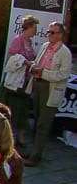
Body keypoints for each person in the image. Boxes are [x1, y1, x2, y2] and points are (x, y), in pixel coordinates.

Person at [24, 22, 71, 166]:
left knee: (43, 124)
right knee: (37, 120)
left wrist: (43, 73)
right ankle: (33, 151)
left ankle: (36, 156)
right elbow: (38, 62)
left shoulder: (65, 52)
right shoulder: (45, 46)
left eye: (53, 32)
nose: (49, 35)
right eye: (48, 32)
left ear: (60, 35)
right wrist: (32, 67)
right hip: (38, 85)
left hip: (50, 88)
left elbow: (63, 74)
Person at [0, 14, 40, 145]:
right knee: (13, 109)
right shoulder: (19, 40)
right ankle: (9, 137)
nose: (35, 30)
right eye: (34, 28)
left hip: (26, 81)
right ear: (28, 27)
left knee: (23, 109)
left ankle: (20, 136)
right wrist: (25, 62)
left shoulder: (30, 42)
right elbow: (11, 57)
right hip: (15, 82)